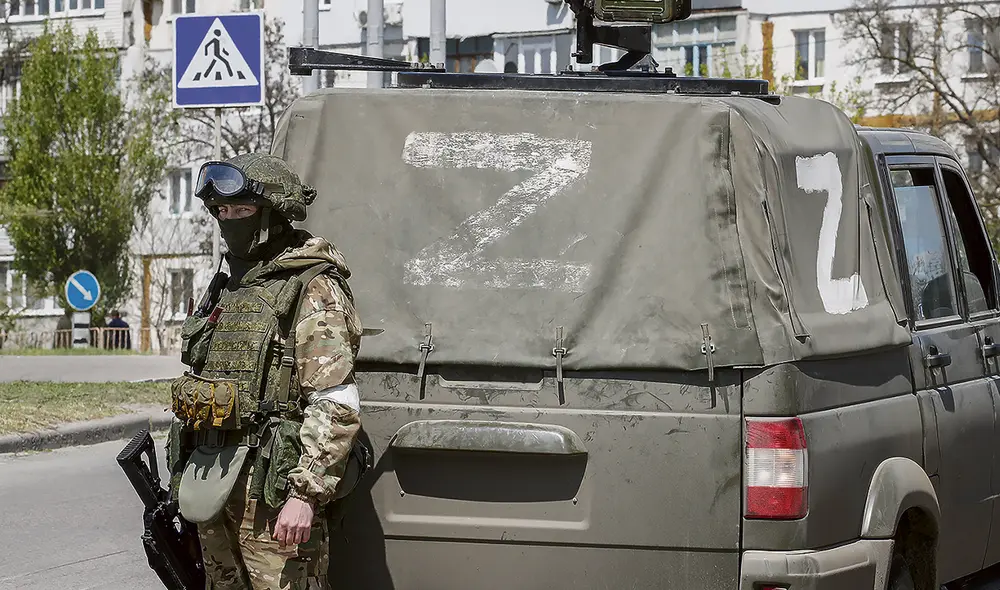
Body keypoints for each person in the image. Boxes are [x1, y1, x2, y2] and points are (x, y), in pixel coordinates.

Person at [167, 153, 366, 590]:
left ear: (274, 212)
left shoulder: (311, 285)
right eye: (221, 210)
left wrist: (305, 495)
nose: (228, 219)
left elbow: (335, 401)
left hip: (274, 493)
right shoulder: (229, 286)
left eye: (241, 209)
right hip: (213, 482)